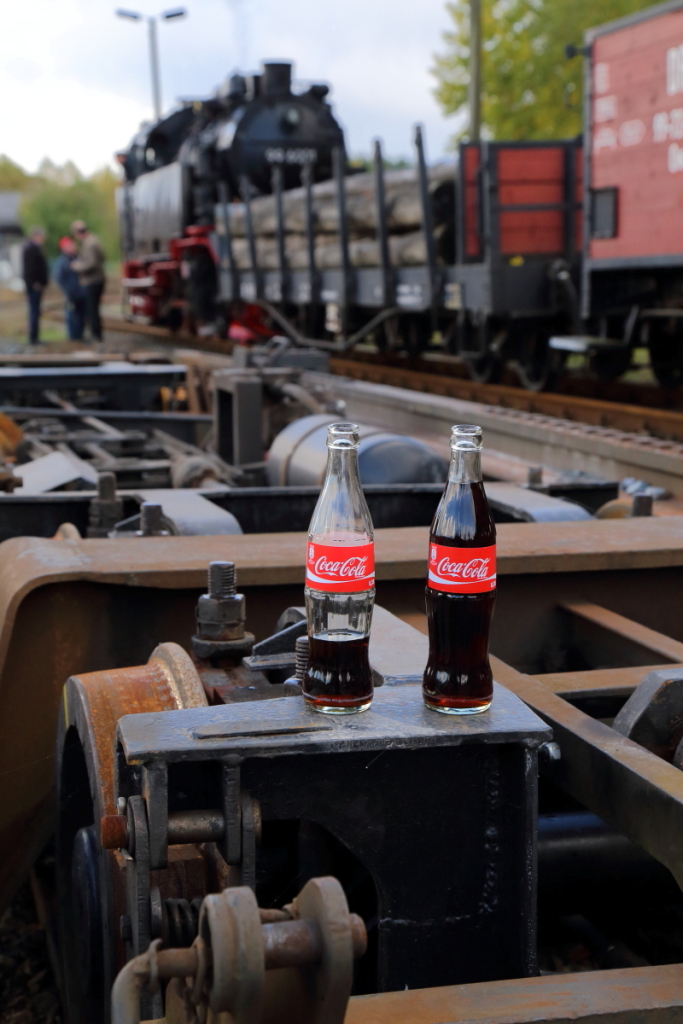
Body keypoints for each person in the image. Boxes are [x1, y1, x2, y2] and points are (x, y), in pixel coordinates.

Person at [71, 219, 105, 342]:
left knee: (92, 310)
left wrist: (77, 266)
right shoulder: (93, 240)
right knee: (93, 309)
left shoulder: (89, 243)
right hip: (97, 279)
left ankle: (96, 336)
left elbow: (91, 263)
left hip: (92, 281)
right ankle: (97, 335)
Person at [54, 237, 86, 341]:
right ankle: (73, 336)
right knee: (72, 314)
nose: (72, 247)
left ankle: (80, 335)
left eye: (72, 245)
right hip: (71, 293)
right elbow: (58, 277)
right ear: (63, 248)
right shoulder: (62, 261)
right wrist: (68, 289)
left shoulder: (77, 258)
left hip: (81, 292)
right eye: (69, 246)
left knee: (82, 314)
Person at [21, 226, 48, 345]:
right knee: (34, 311)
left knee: (35, 311)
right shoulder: (31, 249)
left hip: (35, 284)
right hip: (34, 286)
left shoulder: (33, 248)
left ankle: (35, 337)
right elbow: (30, 269)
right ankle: (33, 338)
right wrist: (34, 283)